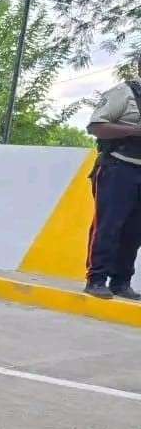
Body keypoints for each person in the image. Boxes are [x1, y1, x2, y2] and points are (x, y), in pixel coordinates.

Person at [85, 57, 141, 299]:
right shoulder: (123, 93)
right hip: (118, 167)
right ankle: (96, 279)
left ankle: (121, 281)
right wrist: (135, 131)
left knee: (135, 230)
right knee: (108, 225)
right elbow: (95, 126)